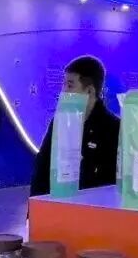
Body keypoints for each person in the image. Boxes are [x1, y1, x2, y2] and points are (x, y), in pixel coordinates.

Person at [30, 55, 120, 197]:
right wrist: (36, 206)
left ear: (89, 91)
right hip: (56, 205)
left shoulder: (113, 129)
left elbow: (112, 183)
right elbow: (42, 168)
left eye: (70, 85)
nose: (63, 91)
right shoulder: (59, 122)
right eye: (63, 84)